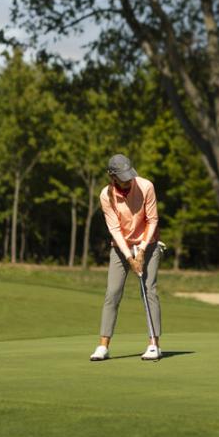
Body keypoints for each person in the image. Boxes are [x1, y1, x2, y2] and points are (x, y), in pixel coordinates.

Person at [90, 154, 163, 362]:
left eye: (129, 175)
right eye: (122, 177)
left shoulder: (146, 186)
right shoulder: (106, 195)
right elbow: (114, 228)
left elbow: (153, 219)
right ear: (112, 176)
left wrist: (140, 252)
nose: (128, 180)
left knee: (149, 291)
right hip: (120, 246)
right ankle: (103, 346)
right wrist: (129, 257)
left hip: (147, 243)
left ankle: (153, 344)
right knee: (112, 293)